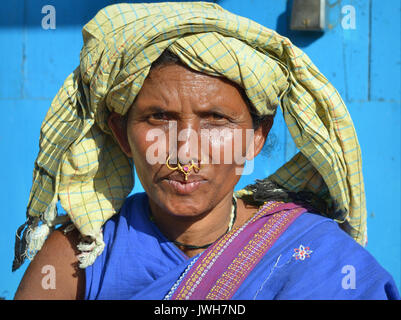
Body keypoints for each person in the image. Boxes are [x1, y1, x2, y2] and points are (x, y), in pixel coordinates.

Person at [13, 2, 399, 300]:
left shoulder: (311, 251)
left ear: (256, 136)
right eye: (158, 117)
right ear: (120, 133)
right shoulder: (77, 260)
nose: (185, 151)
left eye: (215, 119)